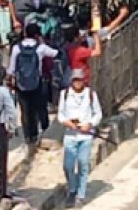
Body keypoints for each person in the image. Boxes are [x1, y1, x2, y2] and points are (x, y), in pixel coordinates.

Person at [58, 68, 103, 207]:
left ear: (84, 81)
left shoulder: (90, 94)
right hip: (70, 136)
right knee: (68, 166)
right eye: (75, 80)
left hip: (85, 137)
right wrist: (67, 122)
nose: (77, 83)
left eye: (79, 80)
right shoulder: (65, 94)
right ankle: (72, 189)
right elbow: (60, 115)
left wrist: (90, 124)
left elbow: (98, 114)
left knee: (83, 163)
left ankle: (81, 195)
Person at [10, 22, 59, 146]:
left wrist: (11, 80)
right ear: (37, 35)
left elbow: (11, 69)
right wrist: (42, 41)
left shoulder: (16, 48)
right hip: (37, 83)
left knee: (25, 110)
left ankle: (29, 136)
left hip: (21, 84)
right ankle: (40, 132)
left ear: (25, 33)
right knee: (38, 108)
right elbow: (55, 53)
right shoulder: (41, 48)